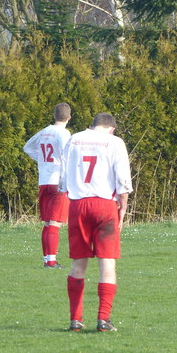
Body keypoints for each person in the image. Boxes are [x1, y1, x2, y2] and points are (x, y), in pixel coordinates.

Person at [60, 112, 133, 332]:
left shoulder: (74, 139)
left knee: (78, 263)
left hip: (78, 204)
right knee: (107, 263)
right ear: (111, 128)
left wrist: (67, 193)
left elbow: (63, 174)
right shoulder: (114, 142)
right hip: (104, 206)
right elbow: (122, 179)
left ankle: (75, 319)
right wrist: (123, 206)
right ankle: (103, 319)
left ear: (92, 126)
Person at [23, 102, 72, 269]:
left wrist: (43, 161)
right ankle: (51, 261)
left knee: (46, 223)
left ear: (54, 115)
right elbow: (66, 156)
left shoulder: (44, 132)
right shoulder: (64, 133)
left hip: (44, 181)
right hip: (57, 181)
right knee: (55, 223)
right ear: (69, 118)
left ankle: (47, 260)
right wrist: (65, 181)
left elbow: (27, 147)